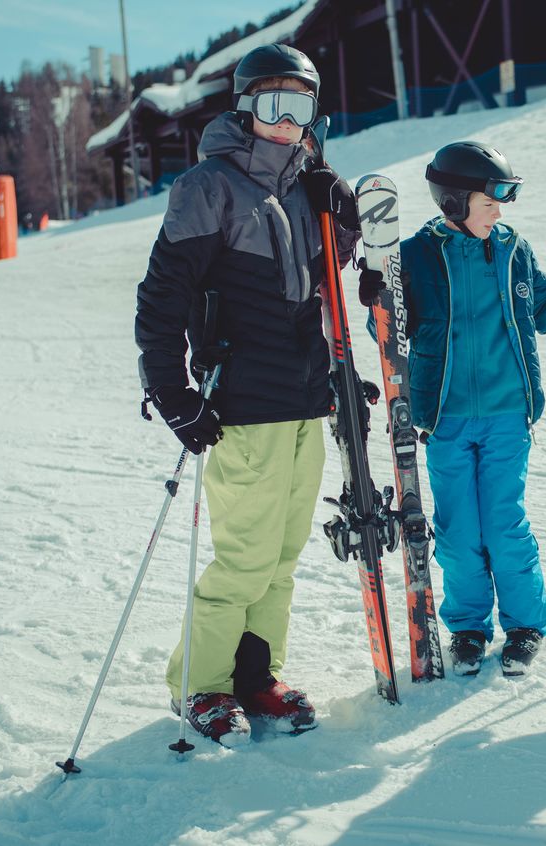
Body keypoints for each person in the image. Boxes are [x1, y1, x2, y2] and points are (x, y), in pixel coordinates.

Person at [357, 141, 546, 678]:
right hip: (445, 419)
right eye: (489, 201)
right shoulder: (415, 257)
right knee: (458, 530)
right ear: (454, 202)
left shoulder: (512, 250)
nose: (498, 212)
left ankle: (524, 625)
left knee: (505, 524)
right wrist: (378, 297)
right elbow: (387, 334)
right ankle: (469, 628)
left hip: (506, 416)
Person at [135, 43, 360, 746]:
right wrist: (172, 390)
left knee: (283, 559)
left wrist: (340, 205)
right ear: (245, 106)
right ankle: (200, 684)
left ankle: (256, 675)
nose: (288, 122)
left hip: (305, 399)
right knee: (243, 560)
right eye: (274, 105)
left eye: (302, 107)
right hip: (243, 405)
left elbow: (336, 275)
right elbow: (161, 298)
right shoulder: (208, 187)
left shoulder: (306, 183)